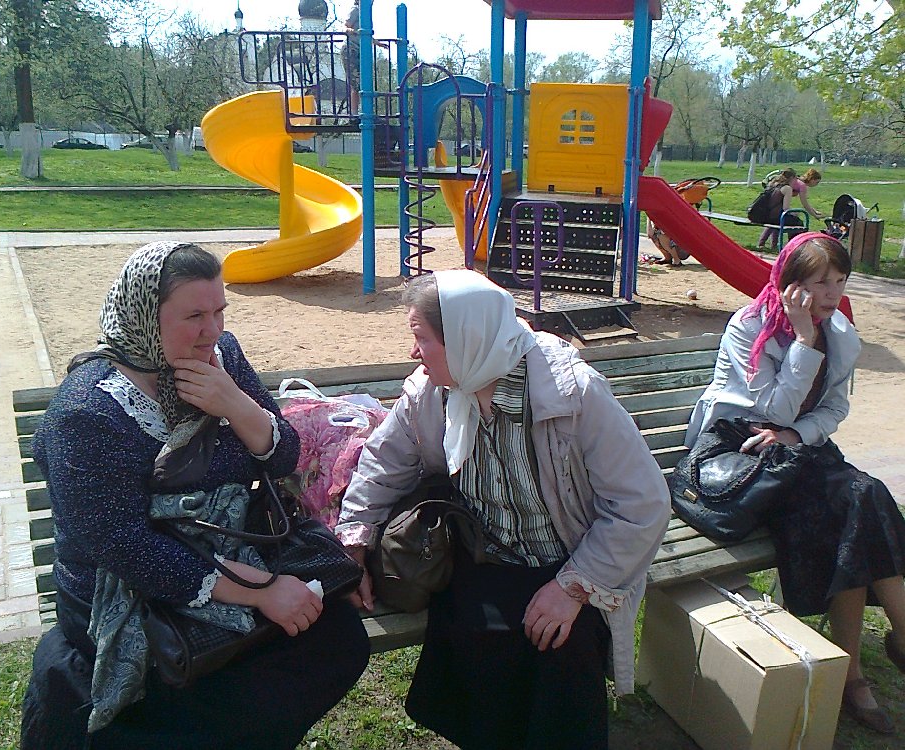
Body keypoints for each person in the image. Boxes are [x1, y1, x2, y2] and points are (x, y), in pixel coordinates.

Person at [21, 241, 369, 749]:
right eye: (194, 316)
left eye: (219, 311)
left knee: (338, 638)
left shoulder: (221, 357)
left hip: (231, 552)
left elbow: (283, 457)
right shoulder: (88, 412)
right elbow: (125, 547)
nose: (213, 330)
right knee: (205, 690)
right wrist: (262, 591)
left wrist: (234, 402)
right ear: (145, 316)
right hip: (133, 592)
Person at [336, 269, 671, 749]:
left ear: (466, 340)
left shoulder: (570, 393)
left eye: (422, 338)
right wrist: (354, 540)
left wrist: (573, 587)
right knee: (474, 633)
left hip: (571, 558)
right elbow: (383, 464)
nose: (413, 352)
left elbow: (641, 504)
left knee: (559, 644)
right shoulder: (432, 391)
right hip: (484, 551)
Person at [684, 232, 905, 735]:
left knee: (860, 501)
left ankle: (854, 676)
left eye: (840, 281)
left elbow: (834, 408)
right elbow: (772, 410)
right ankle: (879, 656)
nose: (831, 294)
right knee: (859, 499)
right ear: (790, 284)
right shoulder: (750, 326)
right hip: (740, 454)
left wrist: (796, 435)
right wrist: (803, 341)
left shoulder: (840, 331)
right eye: (819, 282)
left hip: (795, 449)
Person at [757, 167, 824, 251]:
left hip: (771, 209)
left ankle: (767, 244)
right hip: (776, 209)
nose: (816, 185)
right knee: (792, 222)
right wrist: (814, 215)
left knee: (776, 219)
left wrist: (815, 212)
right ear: (812, 179)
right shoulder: (801, 186)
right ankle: (793, 246)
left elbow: (806, 204)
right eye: (816, 182)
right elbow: (805, 204)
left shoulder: (786, 183)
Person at [340, 0, 361, 115]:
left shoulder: (365, 13)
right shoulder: (356, 10)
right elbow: (346, 26)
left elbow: (365, 33)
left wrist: (377, 43)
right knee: (355, 84)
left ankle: (362, 112)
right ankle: (354, 114)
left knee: (362, 83)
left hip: (359, 51)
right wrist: (351, 31)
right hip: (350, 50)